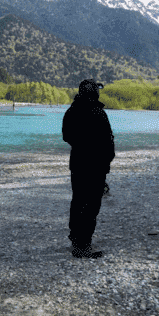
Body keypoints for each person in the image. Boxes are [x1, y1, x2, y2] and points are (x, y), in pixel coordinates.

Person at [62, 79, 115, 259]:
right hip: (95, 166)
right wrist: (106, 163)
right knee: (91, 206)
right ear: (94, 92)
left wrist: (81, 146)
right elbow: (108, 142)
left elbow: (66, 136)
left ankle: (76, 240)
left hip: (77, 163)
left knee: (78, 202)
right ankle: (83, 245)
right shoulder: (98, 113)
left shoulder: (72, 111)